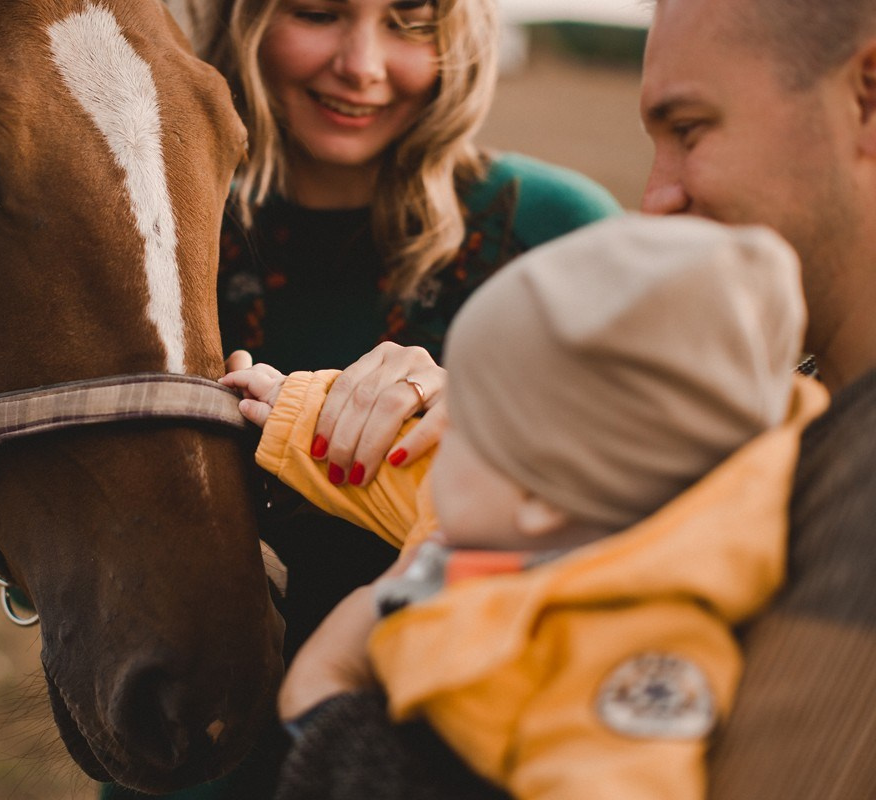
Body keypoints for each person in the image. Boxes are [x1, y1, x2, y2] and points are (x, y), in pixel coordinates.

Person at [101, 0, 619, 795]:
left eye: (409, 23)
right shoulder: (150, 226)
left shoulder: (559, 235)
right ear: (239, 21)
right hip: (185, 749)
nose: (363, 65)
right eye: (317, 12)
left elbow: (672, 511)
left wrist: (501, 426)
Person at [221, 213, 829, 799]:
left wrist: (327, 708)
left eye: (461, 427)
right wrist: (287, 405)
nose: (431, 431)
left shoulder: (632, 647)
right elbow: (388, 461)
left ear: (541, 495)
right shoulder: (504, 506)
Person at [636, 1, 876, 796]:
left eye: (690, 130)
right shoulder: (797, 417)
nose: (655, 197)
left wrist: (336, 718)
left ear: (867, 97)